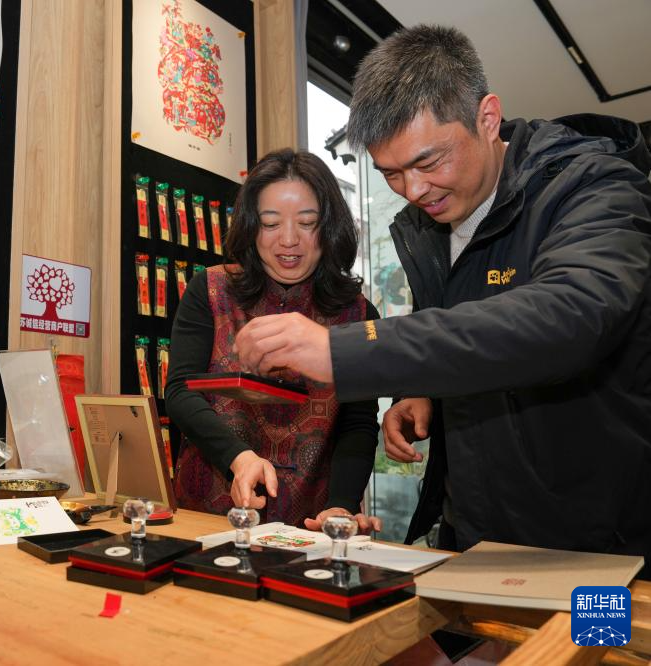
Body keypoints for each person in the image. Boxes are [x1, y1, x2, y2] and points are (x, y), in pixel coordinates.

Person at [234, 25, 651, 575]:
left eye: (428, 163)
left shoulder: (593, 188)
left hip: (599, 549)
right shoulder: (430, 226)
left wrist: (347, 349)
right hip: (475, 535)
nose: (412, 191)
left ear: (488, 118)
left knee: (598, 634)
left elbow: (570, 317)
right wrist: (424, 390)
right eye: (391, 174)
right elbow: (470, 333)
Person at [165, 149, 382, 531]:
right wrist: (239, 458)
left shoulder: (358, 314)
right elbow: (181, 391)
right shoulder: (211, 290)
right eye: (270, 223)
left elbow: (358, 423)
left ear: (329, 227)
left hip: (311, 521)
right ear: (251, 226)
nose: (289, 239)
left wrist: (342, 505)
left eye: (307, 222)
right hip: (210, 513)